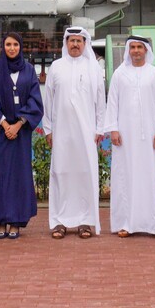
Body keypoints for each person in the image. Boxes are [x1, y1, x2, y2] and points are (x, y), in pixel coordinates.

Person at [102, 36, 155, 237]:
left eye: (140, 47)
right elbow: (112, 102)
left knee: (151, 177)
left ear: (146, 50)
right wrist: (113, 128)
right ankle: (125, 223)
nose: (136, 51)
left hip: (151, 137)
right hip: (124, 137)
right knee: (125, 178)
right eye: (132, 47)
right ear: (127, 50)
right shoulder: (119, 74)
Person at [41, 26, 105, 238]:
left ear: (85, 44)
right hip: (61, 132)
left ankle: (85, 221)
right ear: (66, 44)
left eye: (79, 41)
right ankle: (59, 222)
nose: (75, 44)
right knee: (60, 173)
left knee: (85, 174)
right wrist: (48, 129)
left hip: (86, 133)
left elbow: (100, 102)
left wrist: (99, 128)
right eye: (72, 41)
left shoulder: (93, 68)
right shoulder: (56, 67)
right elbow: (48, 101)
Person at [0, 31, 43, 239]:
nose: (12, 48)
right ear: (3, 47)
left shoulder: (29, 71)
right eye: (8, 44)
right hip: (0, 132)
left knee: (18, 177)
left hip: (21, 134)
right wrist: (5, 123)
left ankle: (15, 221)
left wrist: (18, 124)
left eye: (15, 44)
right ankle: (1, 221)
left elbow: (35, 101)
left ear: (21, 47)